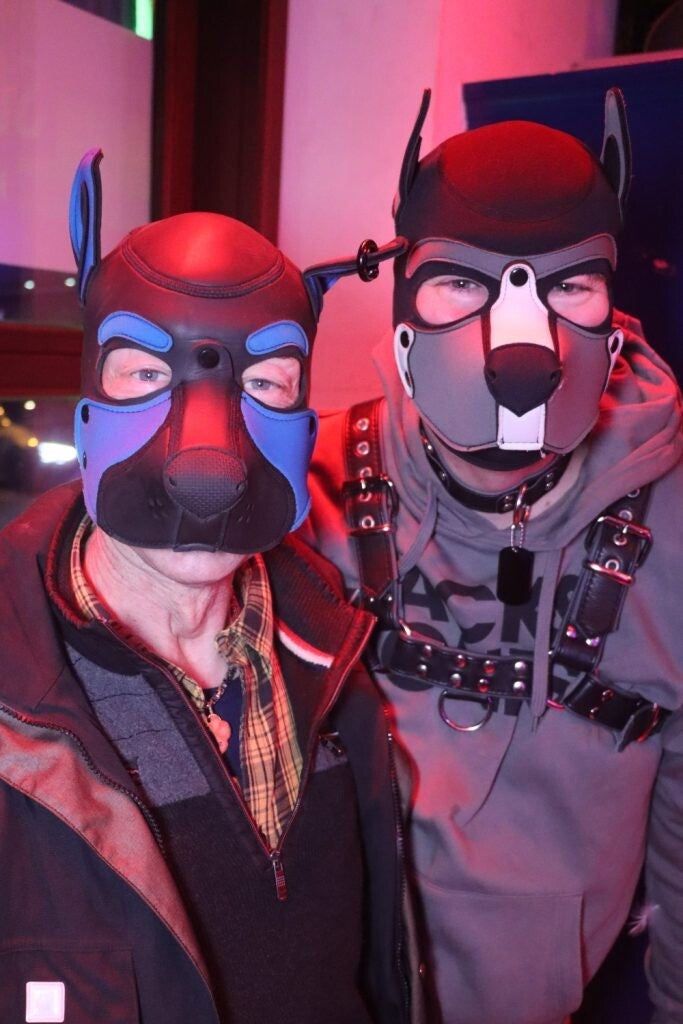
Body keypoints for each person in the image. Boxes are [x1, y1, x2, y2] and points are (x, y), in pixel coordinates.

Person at [0, 149, 413, 1024]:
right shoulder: (16, 690)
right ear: (88, 405)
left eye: (263, 382)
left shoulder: (335, 648)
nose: (207, 461)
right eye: (148, 374)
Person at [302, 90, 683, 1024]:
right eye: (461, 282)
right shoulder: (308, 483)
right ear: (402, 305)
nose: (522, 342)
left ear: (612, 309)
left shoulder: (674, 520)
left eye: (570, 287)